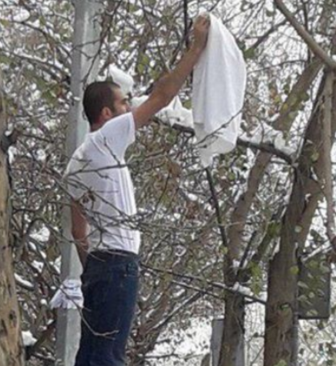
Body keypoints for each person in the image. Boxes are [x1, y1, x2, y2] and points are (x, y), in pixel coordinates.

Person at [64, 15, 211, 366]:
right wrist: (196, 48)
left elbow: (78, 232)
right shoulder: (106, 139)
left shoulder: (75, 164)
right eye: (123, 104)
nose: (129, 110)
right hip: (117, 263)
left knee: (93, 353)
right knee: (108, 357)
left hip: (100, 265)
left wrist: (94, 267)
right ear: (105, 113)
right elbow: (161, 96)